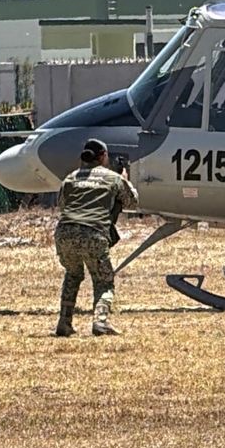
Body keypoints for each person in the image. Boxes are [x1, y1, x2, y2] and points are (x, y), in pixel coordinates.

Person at [54, 138, 139, 337]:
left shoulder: (70, 178)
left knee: (73, 274)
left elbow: (62, 205)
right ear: (103, 156)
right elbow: (132, 202)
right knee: (103, 281)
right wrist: (125, 179)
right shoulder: (113, 178)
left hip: (64, 232)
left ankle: (64, 322)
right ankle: (100, 321)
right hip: (93, 233)